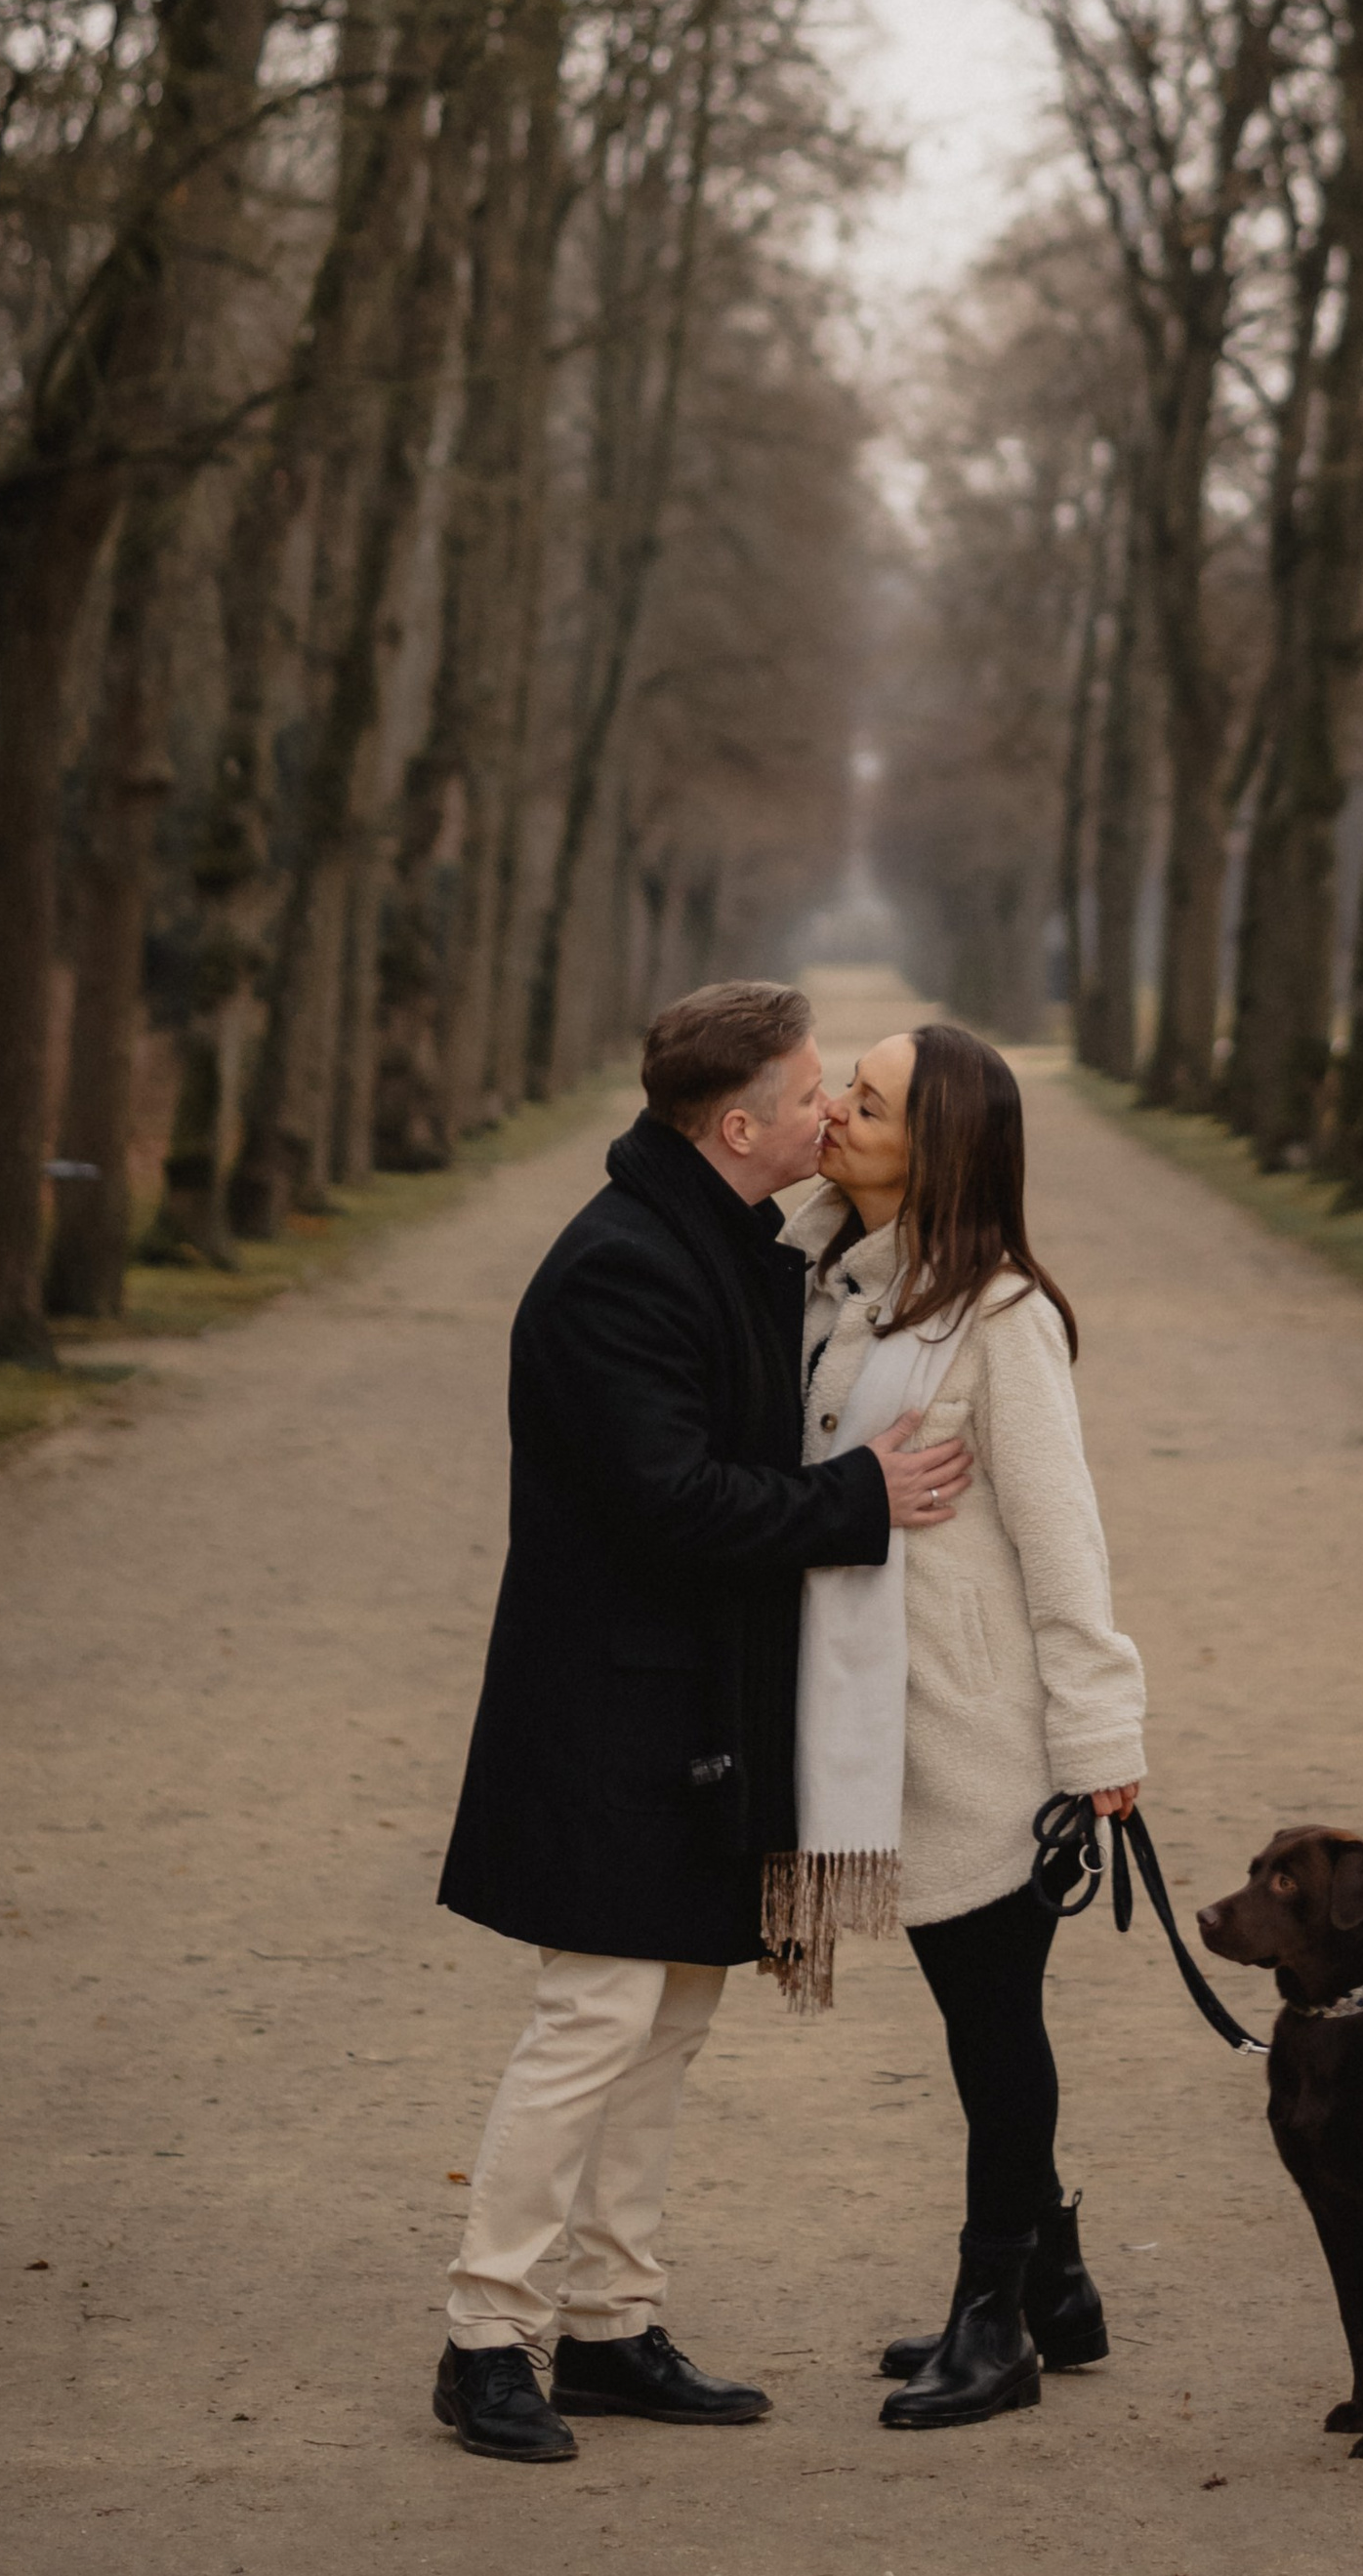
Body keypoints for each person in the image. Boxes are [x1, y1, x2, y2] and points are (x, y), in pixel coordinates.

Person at [433, 979, 974, 2465]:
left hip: (690, 1715)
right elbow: (670, 1502)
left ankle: (609, 2320)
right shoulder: (622, 1270)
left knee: (668, 2018)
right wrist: (860, 1498)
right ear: (739, 1124)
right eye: (813, 1094)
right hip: (605, 1714)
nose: (834, 1114)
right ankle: (487, 2334)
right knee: (593, 2017)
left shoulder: (725, 1237)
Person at [773, 1022, 1145, 2432]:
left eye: (868, 1105)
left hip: (983, 1739)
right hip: (877, 1717)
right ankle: (1055, 2276)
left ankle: (996, 2319)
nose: (840, 1116)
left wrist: (1101, 1742)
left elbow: (1067, 1543)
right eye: (847, 1095)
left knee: (993, 2029)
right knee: (973, 2015)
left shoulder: (999, 1318)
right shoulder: (827, 1280)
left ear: (942, 1150)